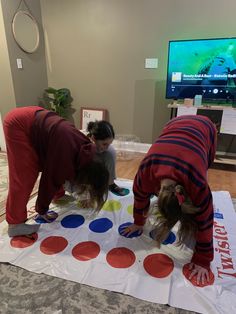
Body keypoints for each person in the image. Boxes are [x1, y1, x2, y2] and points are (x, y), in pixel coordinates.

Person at [122, 115, 217, 285]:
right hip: (172, 125)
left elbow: (206, 220)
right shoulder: (146, 172)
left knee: (204, 166)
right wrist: (138, 222)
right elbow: (140, 197)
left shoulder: (198, 183)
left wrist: (203, 260)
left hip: (206, 128)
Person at [3, 106, 109, 237]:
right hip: (19, 124)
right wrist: (41, 210)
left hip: (37, 118)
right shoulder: (65, 156)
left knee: (58, 168)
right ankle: (15, 224)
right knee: (25, 176)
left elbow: (66, 172)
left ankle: (58, 195)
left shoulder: (88, 151)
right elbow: (50, 179)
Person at [86, 120, 128, 196]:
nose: (107, 147)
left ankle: (108, 185)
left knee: (110, 153)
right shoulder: (83, 147)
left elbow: (109, 176)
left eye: (110, 144)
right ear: (93, 138)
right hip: (83, 179)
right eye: (104, 144)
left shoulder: (109, 152)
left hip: (100, 179)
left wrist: (109, 183)